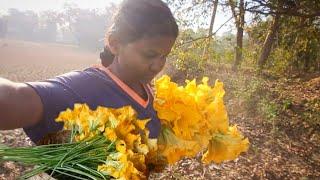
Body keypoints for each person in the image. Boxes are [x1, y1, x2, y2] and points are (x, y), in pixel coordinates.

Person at [0, 0, 178, 144]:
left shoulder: (146, 91)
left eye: (165, 56)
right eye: (150, 55)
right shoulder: (87, 88)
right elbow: (12, 100)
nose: (158, 66)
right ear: (115, 43)